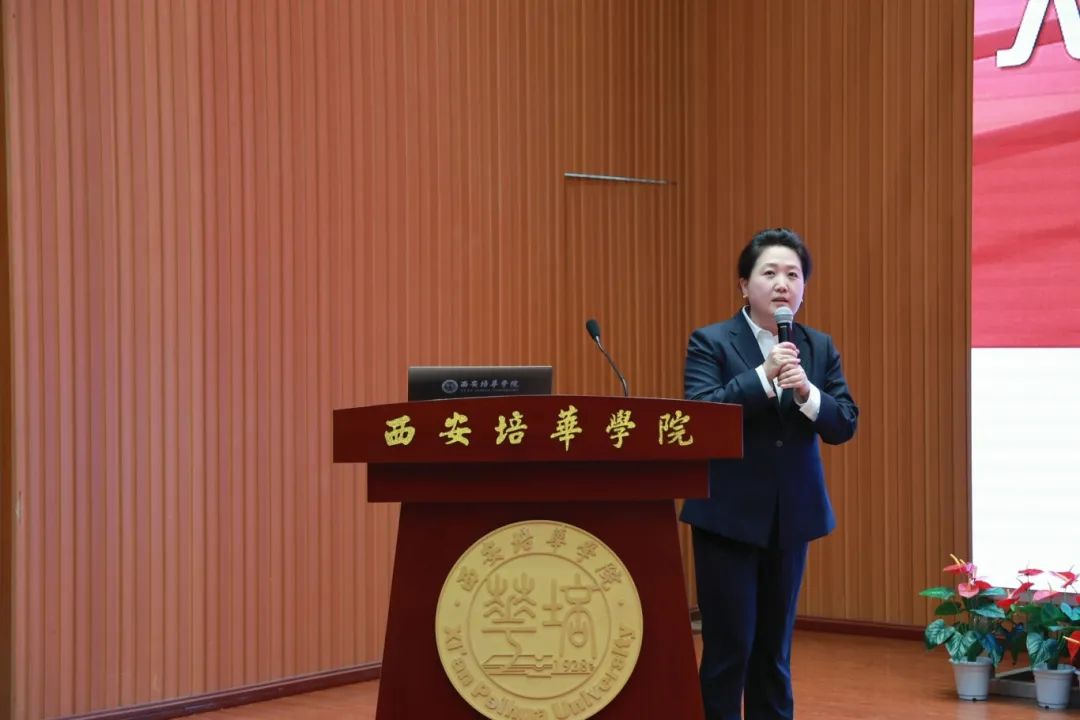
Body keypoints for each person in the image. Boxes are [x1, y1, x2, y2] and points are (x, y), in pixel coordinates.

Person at [680, 228, 858, 720]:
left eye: (793, 275)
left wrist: (807, 394)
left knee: (774, 654)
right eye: (770, 273)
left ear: (804, 290)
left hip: (790, 519)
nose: (783, 284)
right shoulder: (711, 341)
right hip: (727, 518)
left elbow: (844, 423)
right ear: (744, 284)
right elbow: (701, 417)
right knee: (728, 650)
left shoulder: (817, 346)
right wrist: (762, 376)